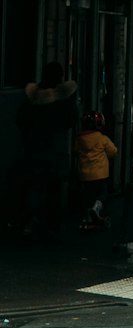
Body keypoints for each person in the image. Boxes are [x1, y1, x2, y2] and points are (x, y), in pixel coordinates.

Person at [16, 60, 78, 238]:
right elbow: (71, 119)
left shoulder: (32, 96)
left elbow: (21, 120)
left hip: (34, 147)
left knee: (34, 187)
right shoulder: (64, 97)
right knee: (54, 189)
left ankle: (29, 222)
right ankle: (53, 224)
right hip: (56, 147)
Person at [75, 112, 117, 229]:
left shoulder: (79, 139)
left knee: (88, 196)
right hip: (100, 173)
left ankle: (87, 217)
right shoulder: (101, 138)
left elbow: (75, 151)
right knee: (102, 194)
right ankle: (96, 209)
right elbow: (113, 151)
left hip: (84, 174)